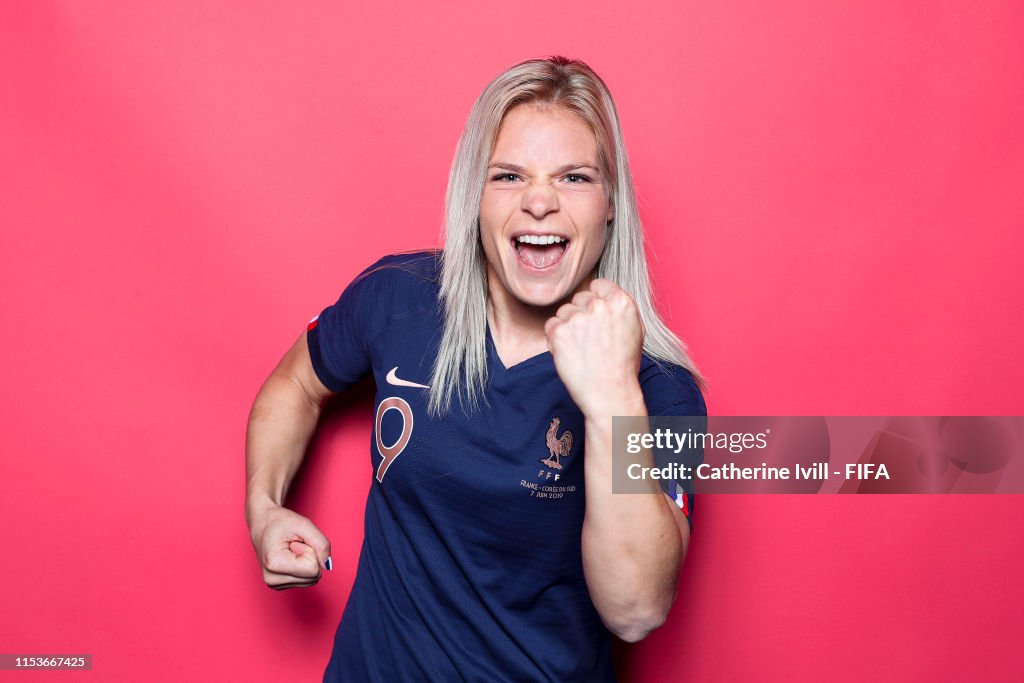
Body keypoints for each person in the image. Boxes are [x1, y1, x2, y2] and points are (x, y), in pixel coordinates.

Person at [245, 55, 707, 682]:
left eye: (573, 178)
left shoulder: (661, 389)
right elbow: (297, 383)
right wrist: (265, 507)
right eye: (509, 176)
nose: (539, 201)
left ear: (610, 206)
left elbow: (636, 610)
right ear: (476, 199)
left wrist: (610, 398)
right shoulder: (397, 297)